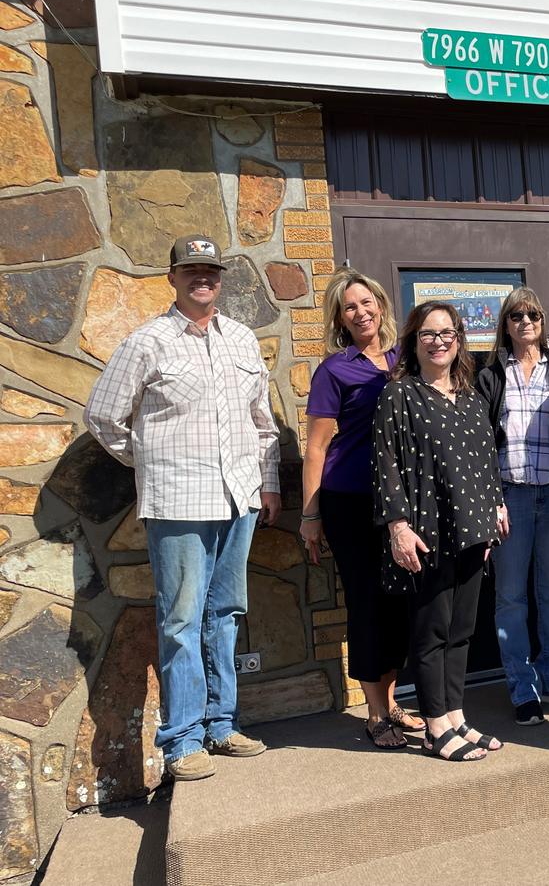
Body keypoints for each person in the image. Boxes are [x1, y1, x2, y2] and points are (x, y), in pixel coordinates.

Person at [84, 234, 280, 782]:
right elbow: (102, 416)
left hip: (239, 497)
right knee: (180, 621)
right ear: (172, 277)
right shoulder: (146, 343)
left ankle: (221, 724)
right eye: (191, 270)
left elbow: (262, 422)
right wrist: (151, 462)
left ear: (220, 279)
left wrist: (267, 484)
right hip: (179, 500)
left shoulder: (241, 339)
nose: (203, 278)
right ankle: (182, 740)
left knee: (226, 614)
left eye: (211, 270)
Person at [374, 302, 507, 762]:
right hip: (427, 528)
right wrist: (398, 527)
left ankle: (455, 716)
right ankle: (434, 726)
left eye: (446, 332)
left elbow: (487, 457)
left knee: (462, 630)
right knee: (432, 629)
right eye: (428, 334)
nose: (438, 341)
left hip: (473, 528)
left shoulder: (471, 396)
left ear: (459, 339)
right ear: (414, 342)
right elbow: (386, 463)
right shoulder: (399, 394)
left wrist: (495, 508)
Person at [300, 268, 424, 749]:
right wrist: (310, 515)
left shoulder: (403, 360)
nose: (360, 312)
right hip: (350, 502)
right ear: (340, 318)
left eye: (366, 302)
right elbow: (316, 448)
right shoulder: (334, 370)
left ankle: (391, 702)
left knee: (397, 603)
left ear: (380, 305)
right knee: (368, 603)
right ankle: (375, 713)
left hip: (400, 503)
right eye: (349, 307)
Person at [477, 288, 549, 725]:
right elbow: (481, 444)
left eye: (534, 315)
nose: (526, 322)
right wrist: (491, 501)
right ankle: (523, 689)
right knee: (510, 598)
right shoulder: (491, 375)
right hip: (511, 497)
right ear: (506, 324)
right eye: (517, 316)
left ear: (543, 322)